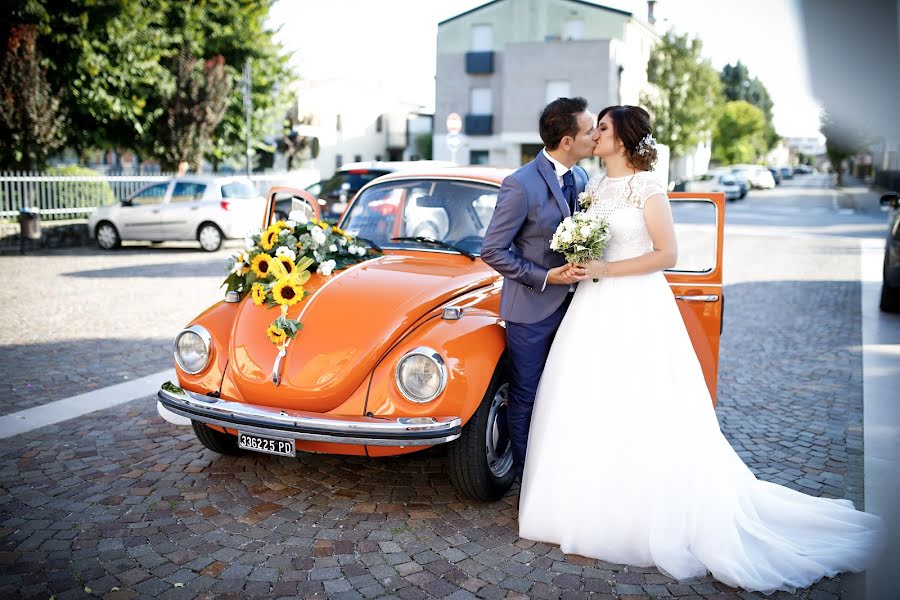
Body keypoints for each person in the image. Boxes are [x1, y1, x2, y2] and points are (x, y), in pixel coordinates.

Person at [517, 105, 885, 594]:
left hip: (635, 304)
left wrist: (605, 270)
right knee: (587, 399)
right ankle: (578, 504)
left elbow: (667, 255)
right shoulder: (592, 187)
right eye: (594, 128)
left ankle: (640, 510)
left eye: (602, 128)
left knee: (643, 402)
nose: (594, 134)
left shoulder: (648, 187)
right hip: (590, 307)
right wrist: (582, 259)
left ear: (623, 138)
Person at [481, 96, 598, 481]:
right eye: (589, 130)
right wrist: (547, 277)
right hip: (530, 310)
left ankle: (559, 471)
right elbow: (492, 250)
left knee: (565, 392)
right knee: (526, 395)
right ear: (567, 140)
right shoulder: (520, 184)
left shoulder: (582, 179)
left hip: (577, 307)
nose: (595, 136)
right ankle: (528, 480)